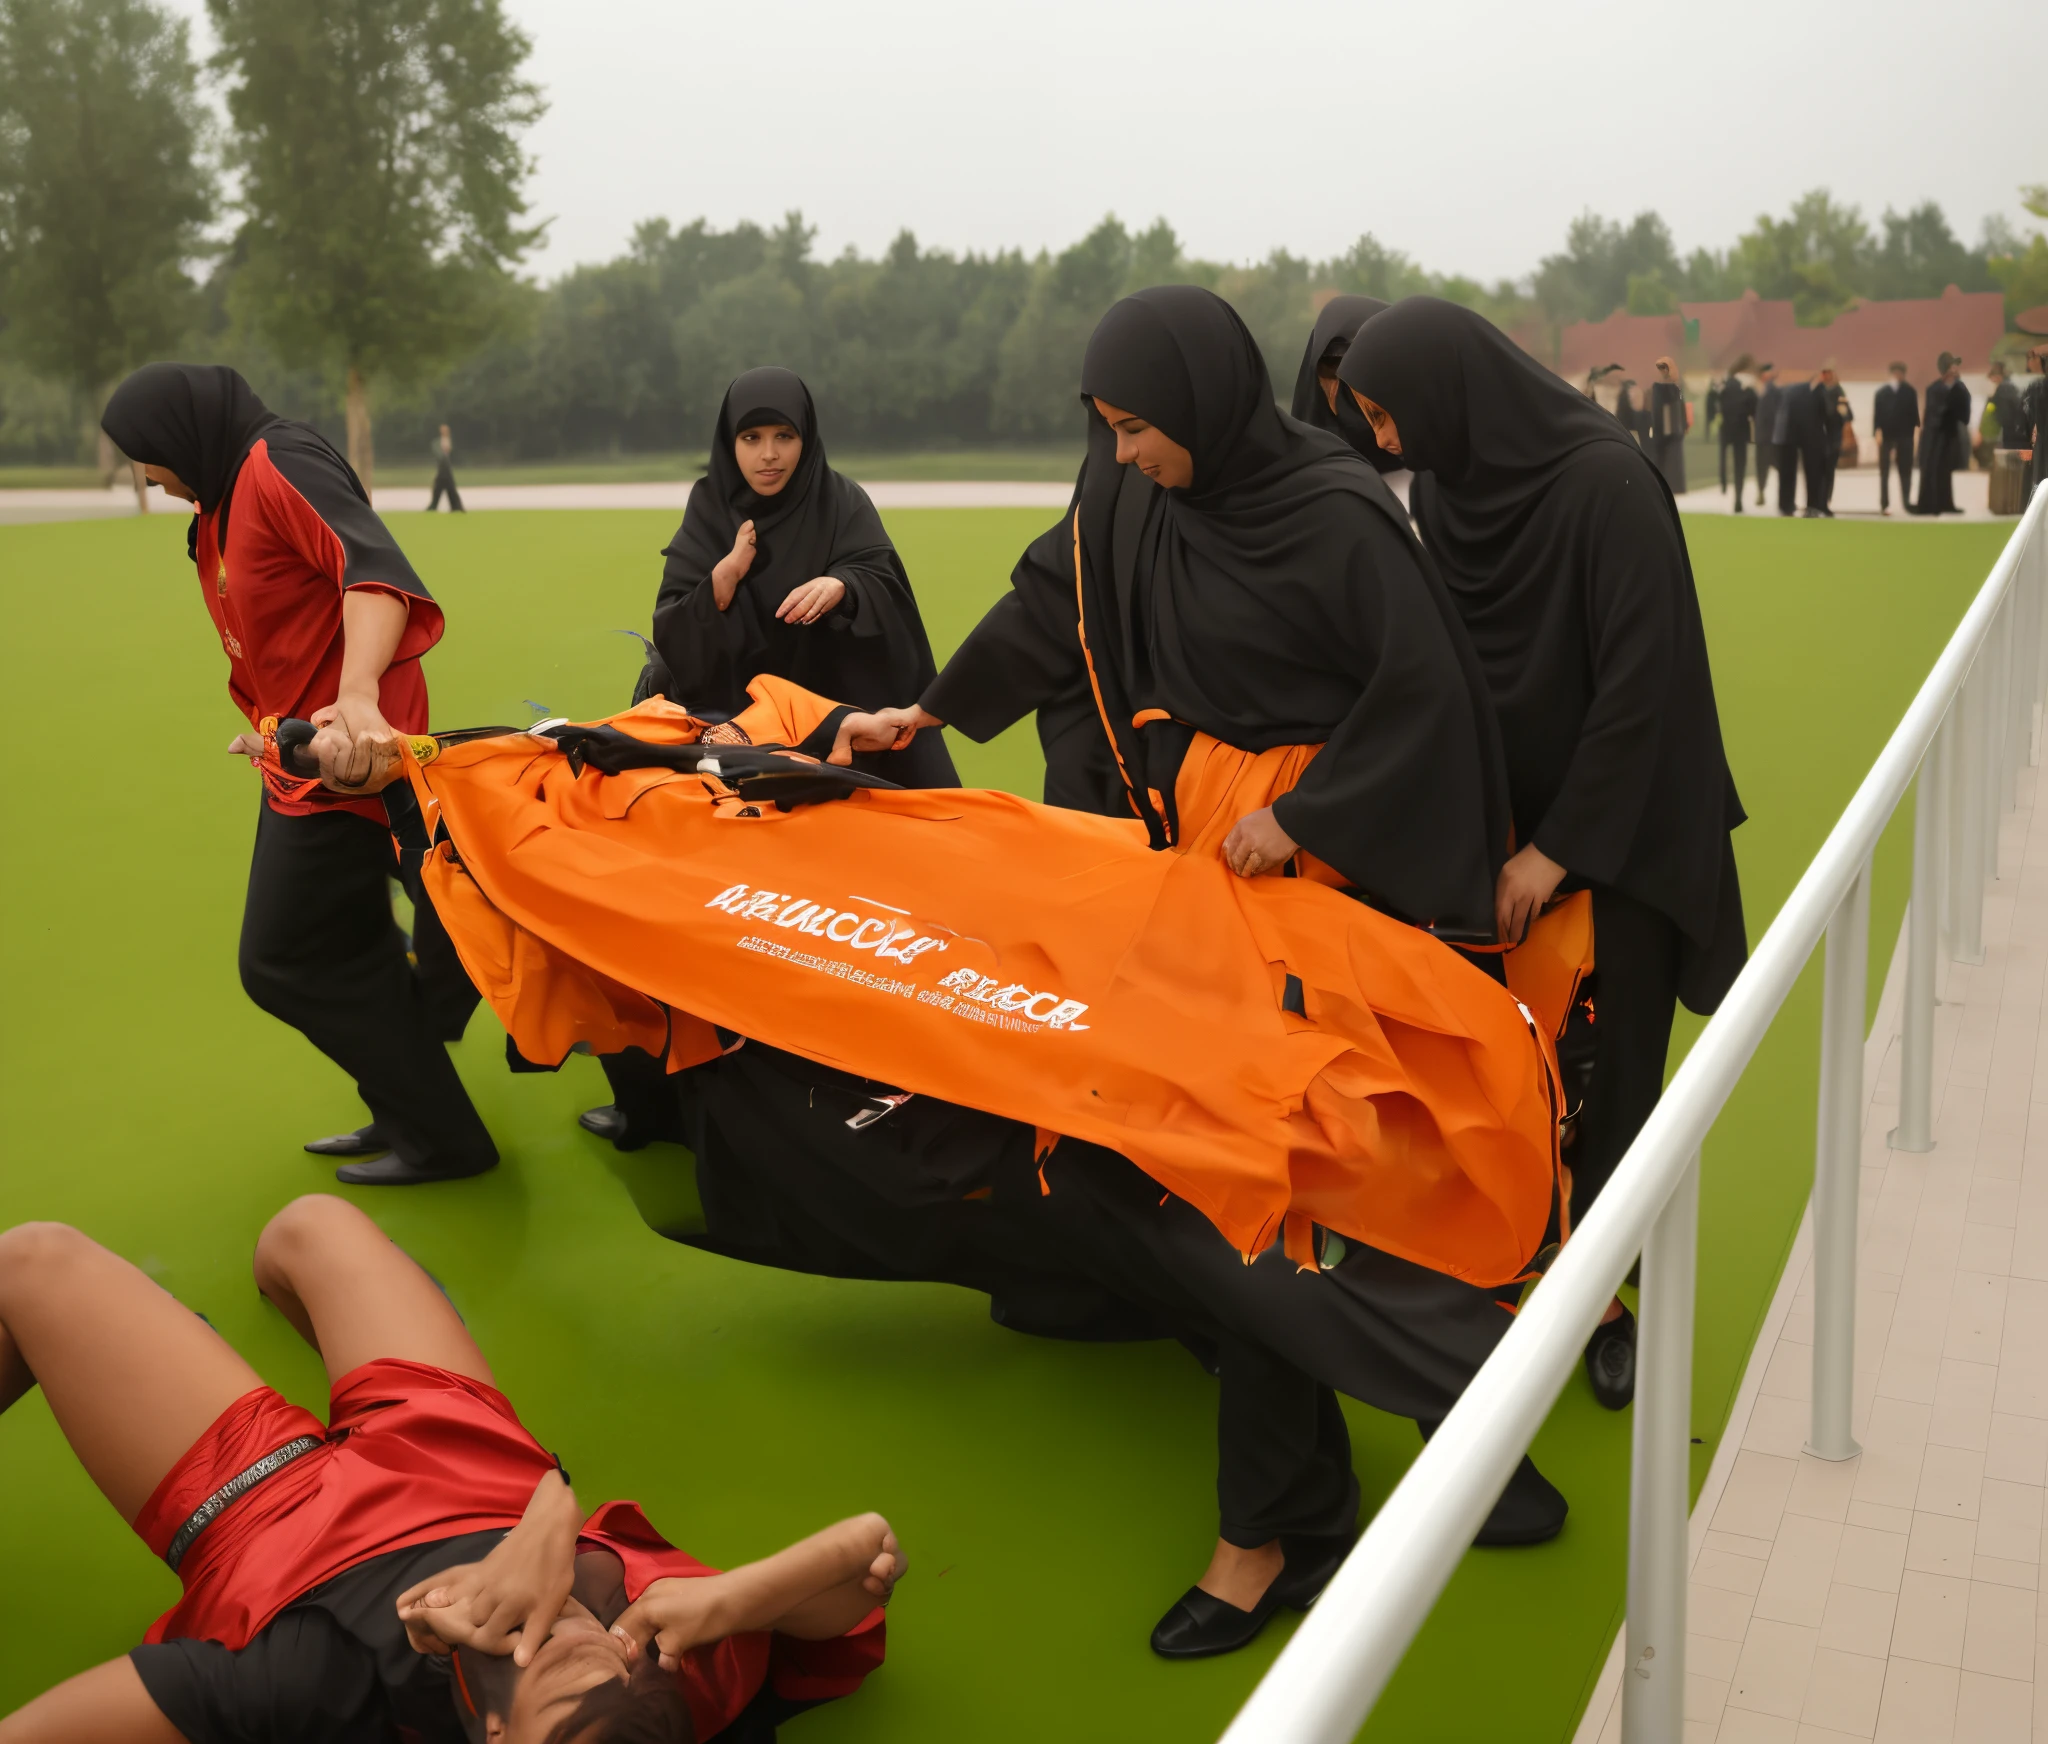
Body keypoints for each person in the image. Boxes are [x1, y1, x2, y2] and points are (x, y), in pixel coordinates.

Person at [0, 1194, 897, 1742]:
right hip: (458, 1450)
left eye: (557, 1672)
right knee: (304, 1232)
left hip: (264, 1511)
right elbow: (862, 1571)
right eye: (619, 1663)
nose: (593, 1643)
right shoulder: (668, 1680)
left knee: (33, 1262)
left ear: (496, 1734)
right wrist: (739, 1597)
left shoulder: (311, 1688)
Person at [1337, 297, 1748, 1415]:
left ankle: (1613, 1300)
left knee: (1613, 1087)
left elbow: (1640, 693)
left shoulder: (1605, 483)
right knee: (1523, 1081)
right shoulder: (1452, 485)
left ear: (1445, 392)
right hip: (1507, 848)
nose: (1382, 441)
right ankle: (1526, 1263)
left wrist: (1555, 851)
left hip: (1623, 844)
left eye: (1386, 413)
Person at [876, 284, 1511, 958]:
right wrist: (926, 711)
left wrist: (1301, 821)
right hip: (1187, 850)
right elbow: (1057, 600)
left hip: (1310, 865)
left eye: (1134, 429)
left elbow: (1424, 692)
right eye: (1110, 429)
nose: (1120, 454)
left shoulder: (1337, 513)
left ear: (1196, 405)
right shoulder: (1134, 495)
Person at [100, 364, 497, 1186]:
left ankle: (442, 1133)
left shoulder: (276, 464)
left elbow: (375, 575)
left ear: (180, 436)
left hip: (354, 764)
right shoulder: (217, 498)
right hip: (295, 759)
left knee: (283, 960)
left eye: (147, 456)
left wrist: (355, 696)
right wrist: (270, 732)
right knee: (351, 945)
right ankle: (418, 1117)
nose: (146, 475)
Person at [641, 368, 957, 791]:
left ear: (806, 439)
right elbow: (672, 633)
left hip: (837, 732)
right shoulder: (709, 510)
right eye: (751, 438)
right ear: (729, 442)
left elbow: (885, 583)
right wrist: (724, 576)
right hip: (736, 733)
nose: (768, 454)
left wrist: (843, 586)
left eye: (784, 436)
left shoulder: (840, 502)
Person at [1288, 293, 1391, 457]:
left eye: (1358, 366)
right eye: (1328, 367)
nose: (1336, 389)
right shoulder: (1301, 457)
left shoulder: (1429, 469)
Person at [1911, 353, 1970, 515]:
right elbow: (1932, 414)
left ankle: (1946, 503)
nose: (1955, 369)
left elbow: (1964, 413)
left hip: (1949, 436)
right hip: (1933, 437)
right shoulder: (1934, 389)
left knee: (1946, 471)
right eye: (1952, 365)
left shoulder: (1960, 388)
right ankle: (1929, 505)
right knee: (1931, 470)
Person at [1773, 372, 1825, 516]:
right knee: (1810, 472)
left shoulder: (1787, 391)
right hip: (1802, 433)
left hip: (1789, 434)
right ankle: (1811, 506)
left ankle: (1786, 505)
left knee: (1789, 472)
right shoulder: (1815, 391)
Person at [1872, 361, 1918, 515]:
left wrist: (1914, 436)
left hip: (1905, 436)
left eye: (1901, 373)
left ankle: (1906, 501)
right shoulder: (1881, 393)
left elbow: (1914, 416)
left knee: (1905, 470)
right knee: (1884, 471)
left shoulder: (1910, 392)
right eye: (1895, 373)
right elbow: (1876, 416)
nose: (1898, 376)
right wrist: (1877, 433)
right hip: (1886, 435)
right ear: (1891, 374)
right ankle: (1884, 503)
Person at [1711, 361, 1755, 508]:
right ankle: (1738, 498)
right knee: (1739, 465)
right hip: (1741, 430)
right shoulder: (1747, 388)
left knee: (1723, 457)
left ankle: (1723, 482)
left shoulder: (1724, 387)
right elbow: (1753, 408)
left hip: (1726, 428)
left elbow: (1715, 401)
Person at [1645, 356, 1690, 494]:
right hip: (1659, 427)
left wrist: (1683, 424)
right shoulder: (1655, 387)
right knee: (1659, 458)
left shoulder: (1676, 388)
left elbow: (1680, 404)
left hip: (1673, 428)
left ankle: (1674, 487)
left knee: (1673, 459)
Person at [1813, 366, 1849, 516]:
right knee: (1817, 472)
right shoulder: (1816, 391)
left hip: (1832, 437)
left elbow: (1846, 414)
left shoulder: (1838, 391)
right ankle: (1816, 502)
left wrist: (1839, 412)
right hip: (1818, 438)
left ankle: (1825, 501)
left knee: (1828, 472)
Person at [1752, 363, 1780, 507]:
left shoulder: (1773, 391)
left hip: (1771, 437)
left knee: (1778, 466)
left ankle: (1783, 498)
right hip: (1761, 437)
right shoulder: (1757, 391)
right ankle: (1761, 492)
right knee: (1761, 467)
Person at [428, 423, 464, 513]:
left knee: (446, 488)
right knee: (443, 488)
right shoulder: (436, 442)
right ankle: (455, 506)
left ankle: (455, 506)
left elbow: (453, 454)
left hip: (448, 468)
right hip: (441, 467)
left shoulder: (451, 441)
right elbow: (437, 453)